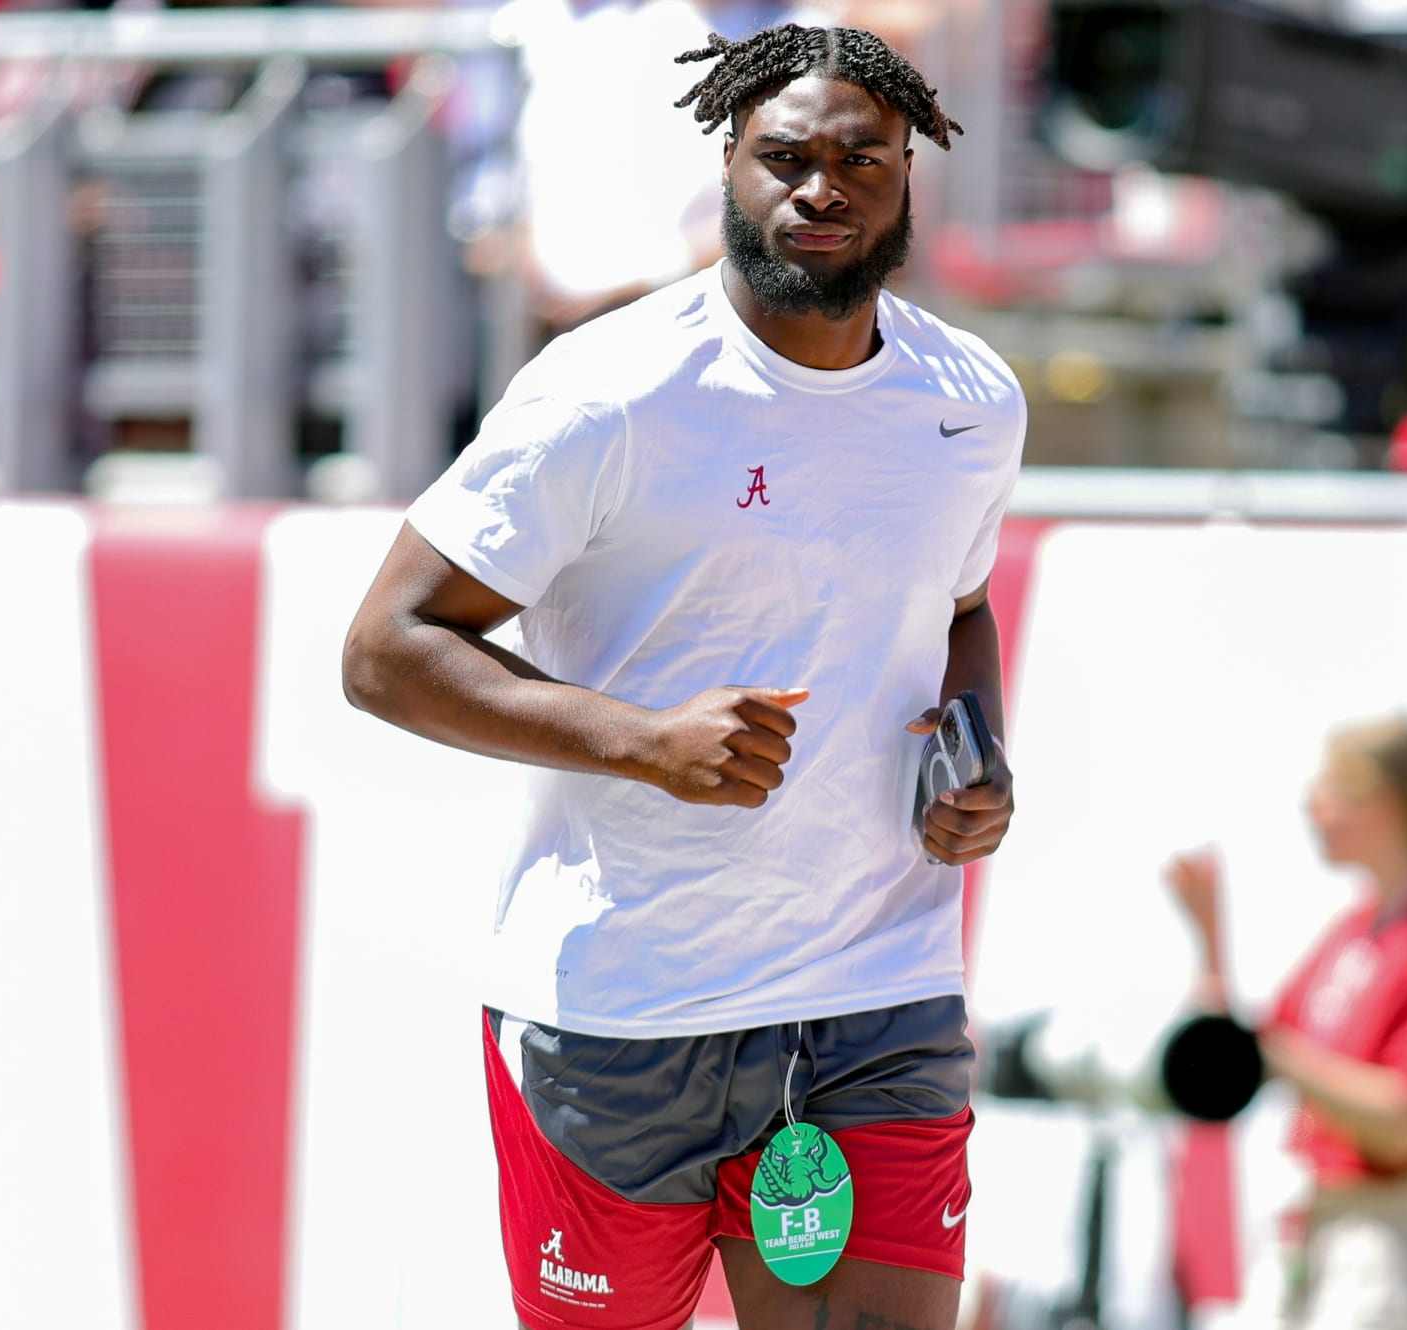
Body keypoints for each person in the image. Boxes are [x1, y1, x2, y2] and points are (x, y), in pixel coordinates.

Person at [342, 21, 1025, 1330]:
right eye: (786, 157)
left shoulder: (971, 400)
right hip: (621, 1011)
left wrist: (975, 750)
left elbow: (963, 606)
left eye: (860, 159)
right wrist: (638, 740)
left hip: (874, 990)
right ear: (727, 165)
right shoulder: (607, 394)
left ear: (909, 175)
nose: (821, 187)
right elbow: (385, 650)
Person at [1165, 717, 1407, 1330]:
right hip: (1327, 1235)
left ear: (1384, 803)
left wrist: (1276, 1054)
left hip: (1396, 1247)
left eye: (1331, 788)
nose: (1310, 806)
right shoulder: (1355, 932)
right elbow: (1249, 1056)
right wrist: (1210, 941)